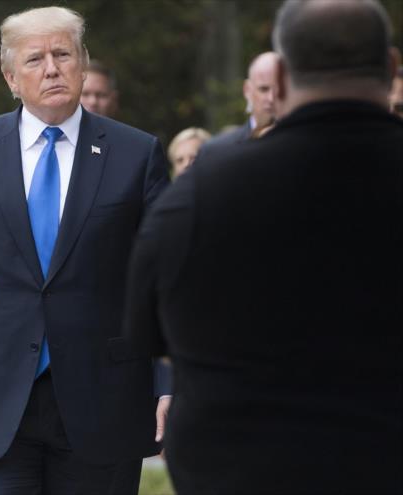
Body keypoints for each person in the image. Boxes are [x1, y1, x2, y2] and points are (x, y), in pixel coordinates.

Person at [123, 0, 402, 493]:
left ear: (279, 74)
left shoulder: (205, 188)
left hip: (245, 466)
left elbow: (145, 328)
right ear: (393, 66)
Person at [0, 7, 171, 494]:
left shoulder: (136, 154)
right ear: (10, 77)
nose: (51, 68)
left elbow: (165, 283)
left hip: (103, 398)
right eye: (35, 59)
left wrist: (170, 379)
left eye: (63, 54)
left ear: (83, 63)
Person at [203, 51, 279, 149]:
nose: (271, 98)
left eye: (279, 89)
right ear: (247, 90)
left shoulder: (303, 144)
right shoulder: (220, 148)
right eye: (263, 89)